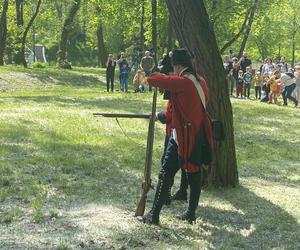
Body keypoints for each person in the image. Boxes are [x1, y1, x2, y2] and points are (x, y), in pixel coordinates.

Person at [137, 48, 212, 225]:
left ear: (177, 66)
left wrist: (144, 75)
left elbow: (159, 80)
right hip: (199, 133)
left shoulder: (184, 82)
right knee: (194, 173)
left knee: (165, 173)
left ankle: (153, 215)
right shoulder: (201, 82)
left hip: (183, 136)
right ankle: (191, 213)